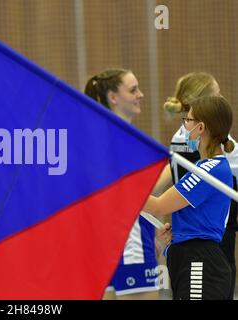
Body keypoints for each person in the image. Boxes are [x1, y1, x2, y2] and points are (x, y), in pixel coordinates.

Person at [144, 95, 234, 300]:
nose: (185, 125)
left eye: (188, 120)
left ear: (200, 127)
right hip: (190, 258)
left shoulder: (209, 170)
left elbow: (159, 205)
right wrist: (182, 229)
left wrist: (118, 190)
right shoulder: (204, 167)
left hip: (200, 262)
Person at [85, 69, 160, 300]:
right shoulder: (118, 139)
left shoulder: (100, 134)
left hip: (108, 243)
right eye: (133, 89)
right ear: (113, 97)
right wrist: (181, 166)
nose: (141, 94)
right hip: (129, 242)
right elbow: (135, 192)